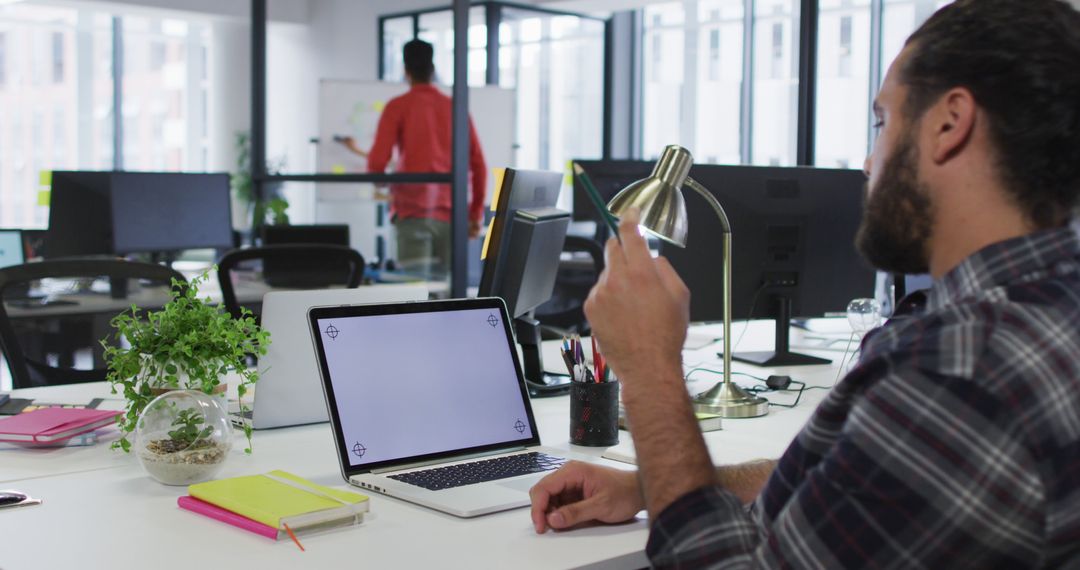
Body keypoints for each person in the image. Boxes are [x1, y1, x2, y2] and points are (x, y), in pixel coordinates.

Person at [529, 0, 1080, 566]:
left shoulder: (958, 371)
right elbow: (851, 482)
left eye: (883, 122)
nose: (869, 161)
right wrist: (651, 486)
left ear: (948, 123)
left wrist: (649, 369)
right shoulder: (1043, 313)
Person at [339, 39, 487, 279]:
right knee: (451, 299)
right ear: (433, 69)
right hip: (454, 215)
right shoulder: (456, 108)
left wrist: (384, 183)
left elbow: (377, 165)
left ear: (406, 71)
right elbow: (478, 164)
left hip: (413, 213)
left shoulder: (398, 107)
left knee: (417, 296)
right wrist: (475, 214)